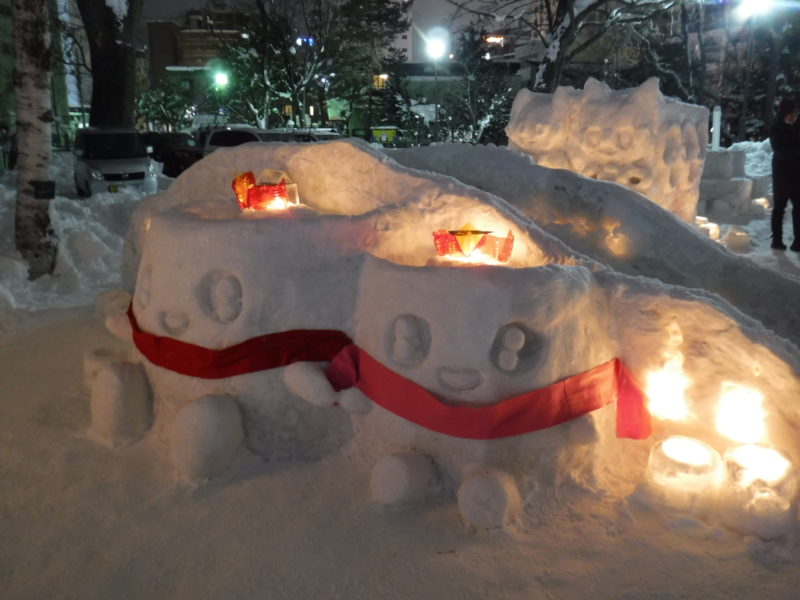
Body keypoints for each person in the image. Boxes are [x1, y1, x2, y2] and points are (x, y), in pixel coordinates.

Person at [768, 97, 800, 251]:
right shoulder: (777, 129)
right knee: (779, 208)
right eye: (790, 115)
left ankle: (798, 241)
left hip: (797, 176)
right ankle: (777, 240)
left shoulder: (797, 127)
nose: (793, 117)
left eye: (795, 114)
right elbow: (782, 153)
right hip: (782, 176)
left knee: (798, 208)